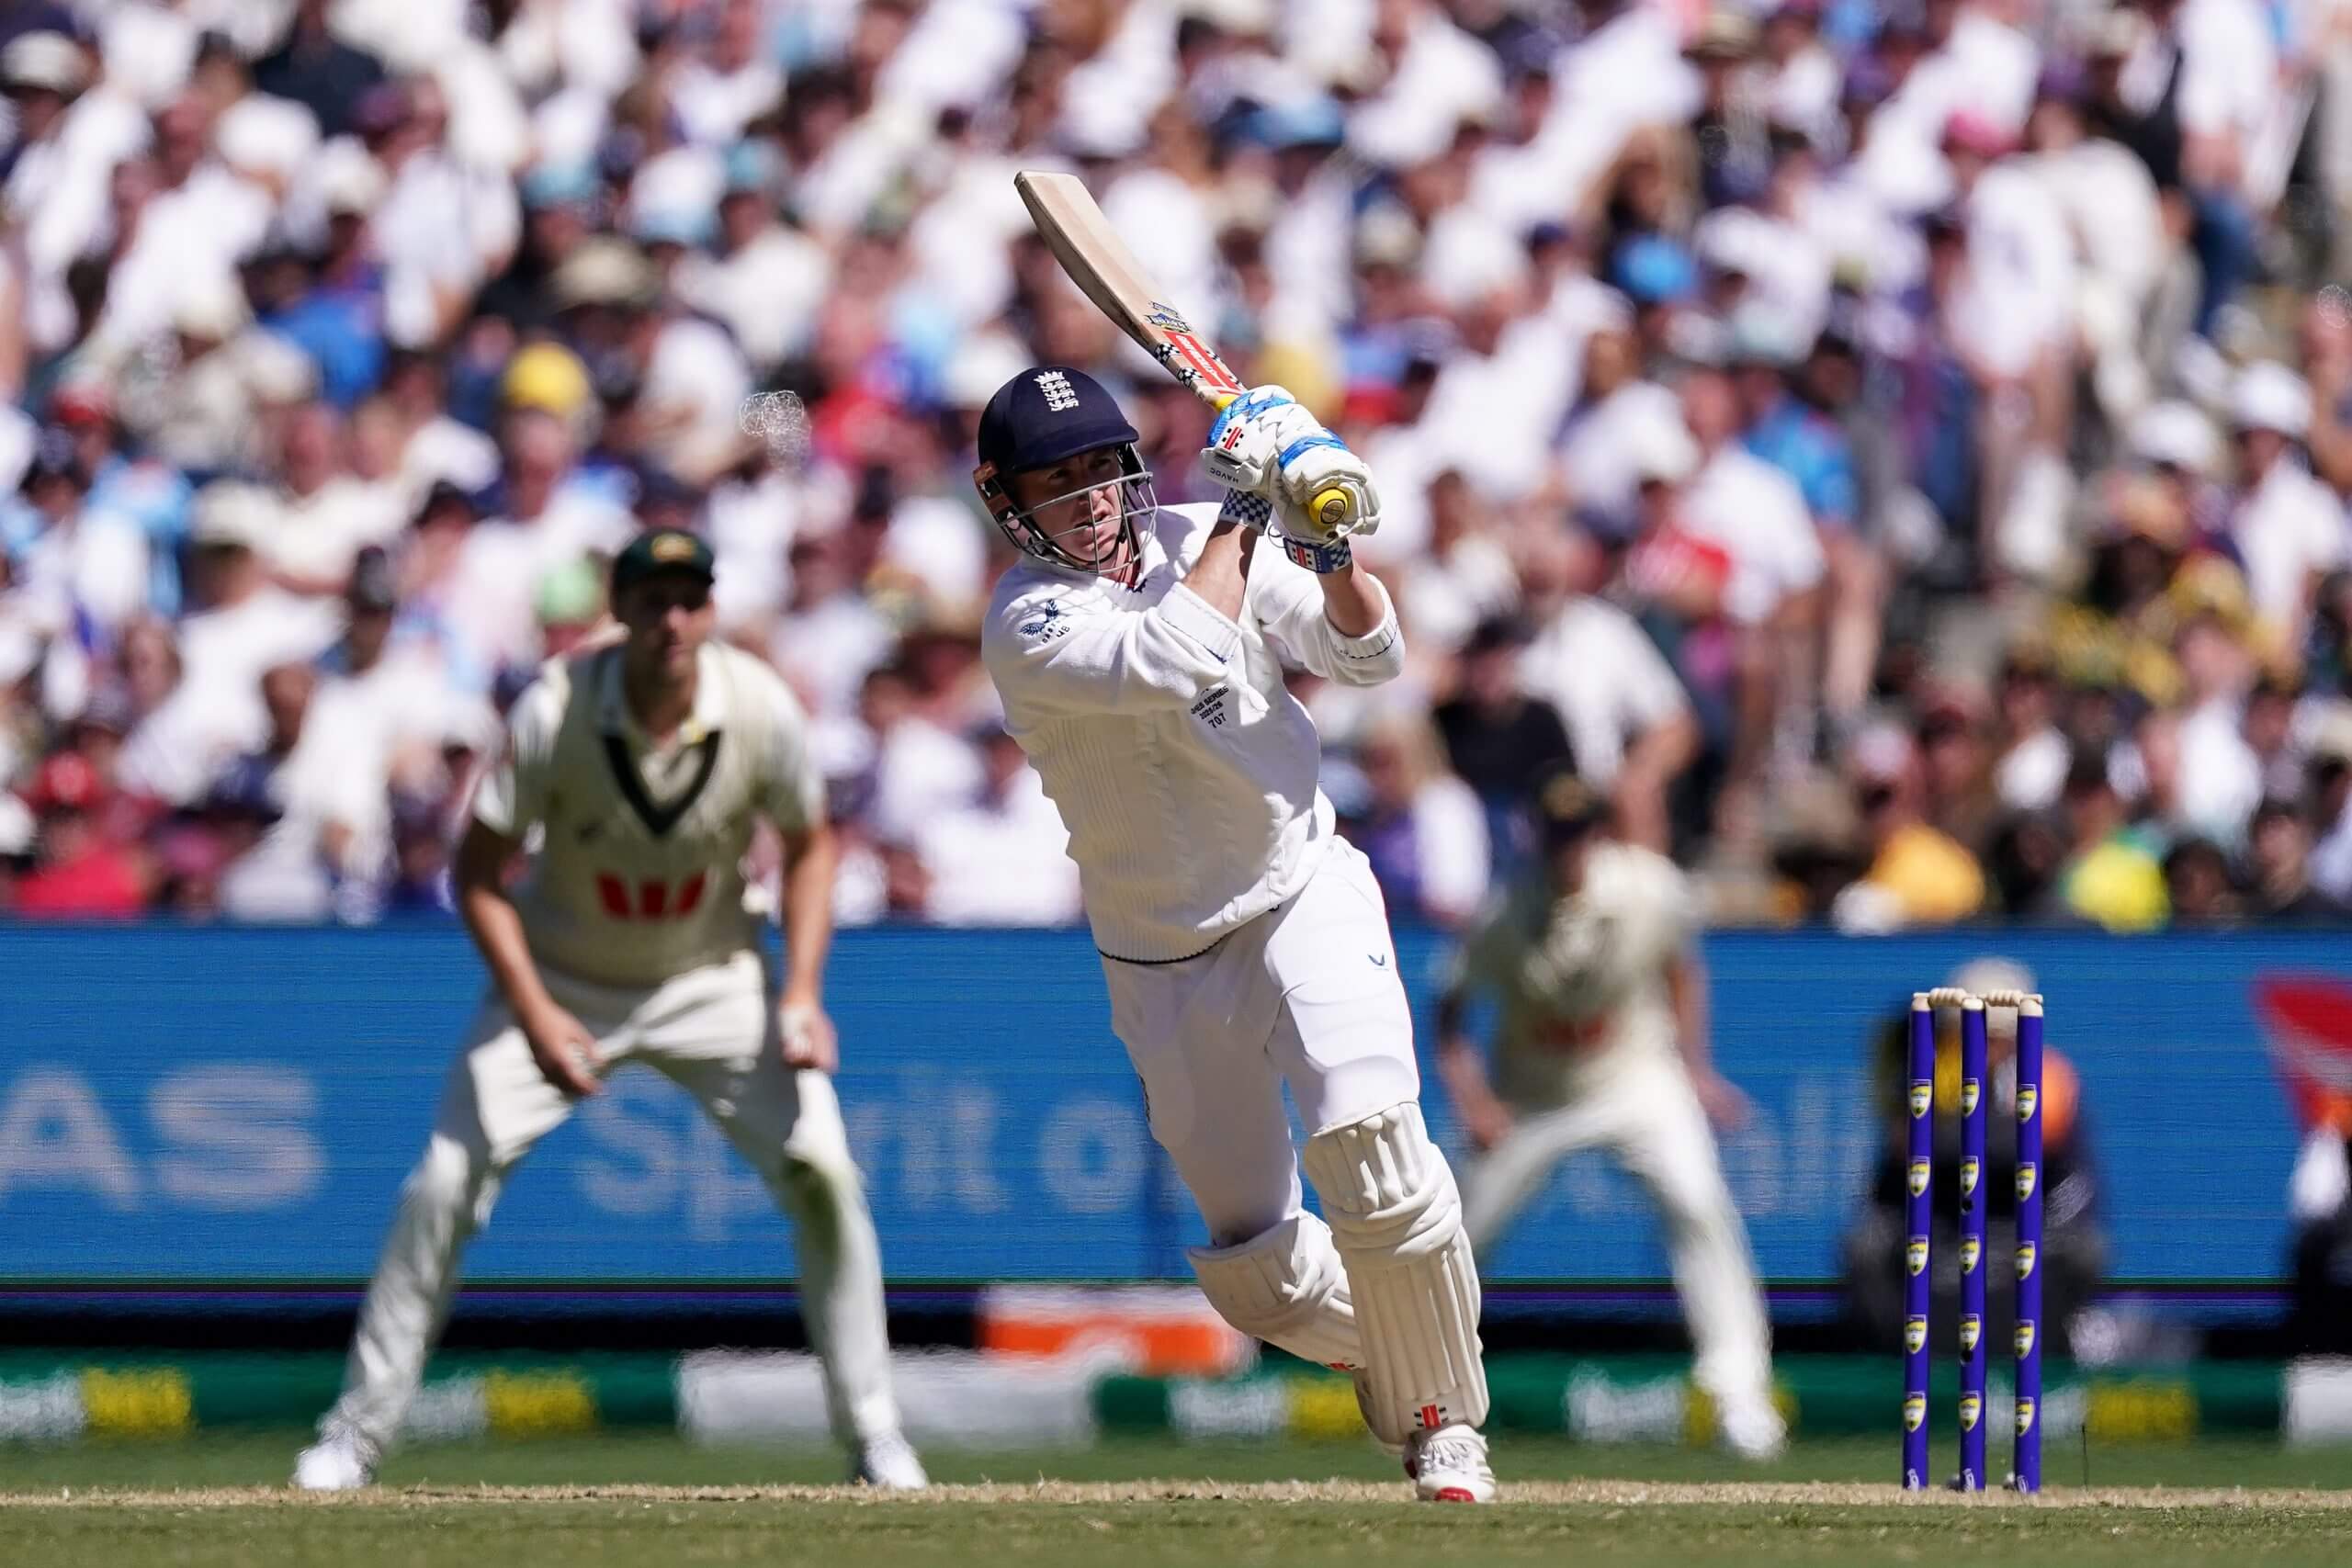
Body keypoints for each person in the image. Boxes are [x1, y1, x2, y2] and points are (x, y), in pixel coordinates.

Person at [294, 530, 922, 1492]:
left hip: (712, 976)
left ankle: (876, 1439)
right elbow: (479, 871)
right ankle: (354, 1438)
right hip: (563, 972)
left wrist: (799, 992)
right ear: (619, 609)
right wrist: (539, 1014)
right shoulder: (557, 708)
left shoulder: (757, 706)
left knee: (827, 1175)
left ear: (708, 609)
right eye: (651, 598)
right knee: (440, 1185)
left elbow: (809, 846)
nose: (671, 620)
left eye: (688, 599)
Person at [975, 367, 1495, 1503]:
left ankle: (1446, 1427)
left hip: (1300, 885)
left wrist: (1324, 538)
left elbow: (1369, 656)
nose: (1087, 499)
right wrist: (1253, 510)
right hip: (1161, 955)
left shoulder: (1203, 533)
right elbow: (1175, 659)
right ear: (1005, 499)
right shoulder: (1025, 621)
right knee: (1257, 1280)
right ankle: (1419, 1360)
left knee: (1377, 1158)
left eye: (1096, 468)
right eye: (1053, 481)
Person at [1432, 769, 1785, 1461]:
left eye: (1581, 831)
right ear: (1538, 835)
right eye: (1557, 833)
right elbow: (1448, 1013)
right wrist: (1474, 1103)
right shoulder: (1502, 913)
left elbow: (1682, 966)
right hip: (1533, 1094)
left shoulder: (1649, 887)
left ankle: (1741, 1395)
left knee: (1696, 1199)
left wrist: (1696, 1067)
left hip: (1635, 1077)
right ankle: (1427, 1397)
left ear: (1599, 832)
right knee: (1461, 1237)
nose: (1569, 847)